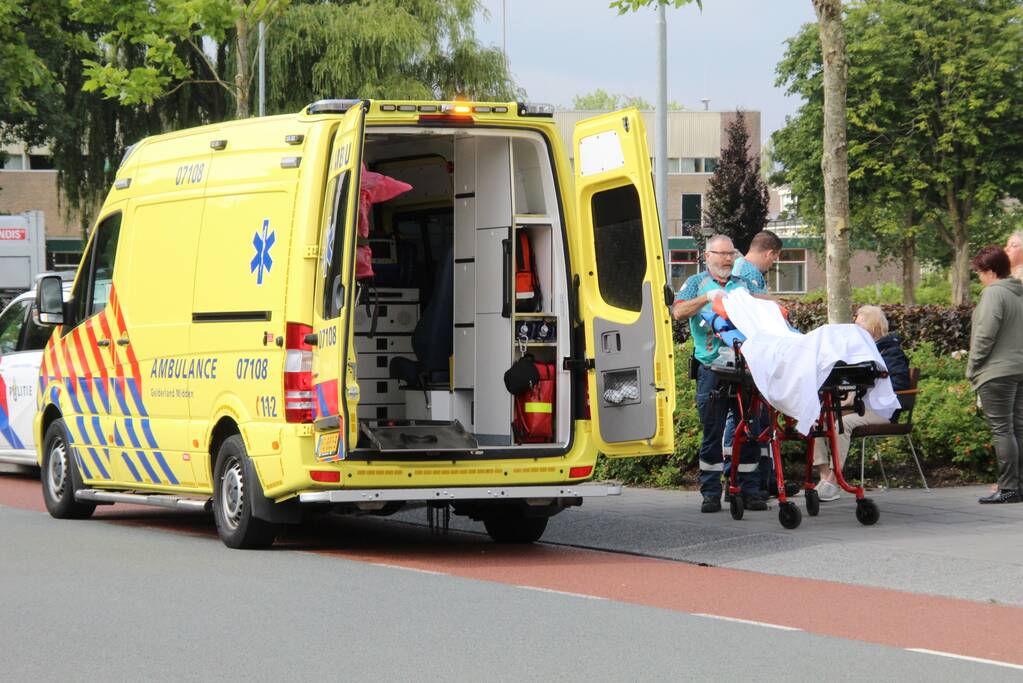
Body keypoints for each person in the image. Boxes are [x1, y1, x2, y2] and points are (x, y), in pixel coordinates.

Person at [673, 234, 766, 513]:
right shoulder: (695, 283)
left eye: (731, 254)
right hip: (711, 368)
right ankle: (711, 492)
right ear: (708, 256)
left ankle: (747, 489)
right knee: (712, 431)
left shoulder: (743, 284)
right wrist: (706, 298)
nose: (727, 259)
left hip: (743, 367)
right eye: (722, 254)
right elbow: (677, 312)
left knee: (750, 428)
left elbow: (762, 305)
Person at [813, 305, 910, 501]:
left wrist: (872, 379)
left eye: (859, 325)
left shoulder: (891, 352)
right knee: (816, 421)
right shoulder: (860, 351)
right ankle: (824, 476)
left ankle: (835, 480)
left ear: (871, 327)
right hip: (858, 406)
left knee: (842, 425)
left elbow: (899, 383)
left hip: (881, 411)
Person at [723, 230, 784, 497]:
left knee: (757, 421)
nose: (772, 265)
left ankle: (762, 478)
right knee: (743, 420)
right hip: (748, 355)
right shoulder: (743, 272)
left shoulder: (746, 271)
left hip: (755, 354)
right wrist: (776, 303)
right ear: (770, 253)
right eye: (774, 260)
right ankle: (737, 479)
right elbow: (745, 306)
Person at [967, 246, 1023, 504]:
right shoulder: (1019, 293)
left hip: (996, 371)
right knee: (1018, 429)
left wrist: (973, 367)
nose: (979, 277)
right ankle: (1019, 486)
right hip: (1020, 369)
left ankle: (1009, 487)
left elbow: (985, 335)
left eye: (979, 272)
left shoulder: (993, 294)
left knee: (1002, 430)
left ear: (990, 271)